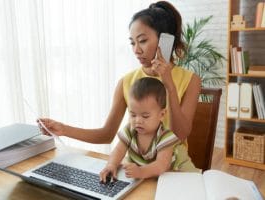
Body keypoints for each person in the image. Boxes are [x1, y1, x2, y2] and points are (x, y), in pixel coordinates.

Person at [39, 1, 201, 171]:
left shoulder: (191, 80)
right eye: (132, 43)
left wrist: (169, 86)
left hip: (172, 171)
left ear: (165, 41)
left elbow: (180, 135)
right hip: (134, 171)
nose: (136, 50)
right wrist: (63, 129)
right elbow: (107, 134)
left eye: (143, 41)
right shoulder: (127, 81)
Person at [100, 77, 180, 182]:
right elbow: (118, 150)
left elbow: (161, 165)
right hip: (137, 179)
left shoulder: (165, 136)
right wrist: (111, 164)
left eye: (145, 116)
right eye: (133, 115)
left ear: (162, 114)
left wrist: (141, 171)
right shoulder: (130, 130)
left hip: (161, 180)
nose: (138, 121)